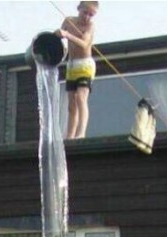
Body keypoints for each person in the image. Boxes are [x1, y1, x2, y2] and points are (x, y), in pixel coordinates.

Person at [55, 1, 99, 140]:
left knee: (81, 97)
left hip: (85, 65)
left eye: (91, 15)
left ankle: (81, 133)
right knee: (71, 104)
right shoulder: (68, 21)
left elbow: (85, 44)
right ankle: (70, 136)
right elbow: (58, 38)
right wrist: (57, 34)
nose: (87, 17)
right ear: (79, 9)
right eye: (85, 12)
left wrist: (68, 35)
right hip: (71, 65)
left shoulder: (90, 26)